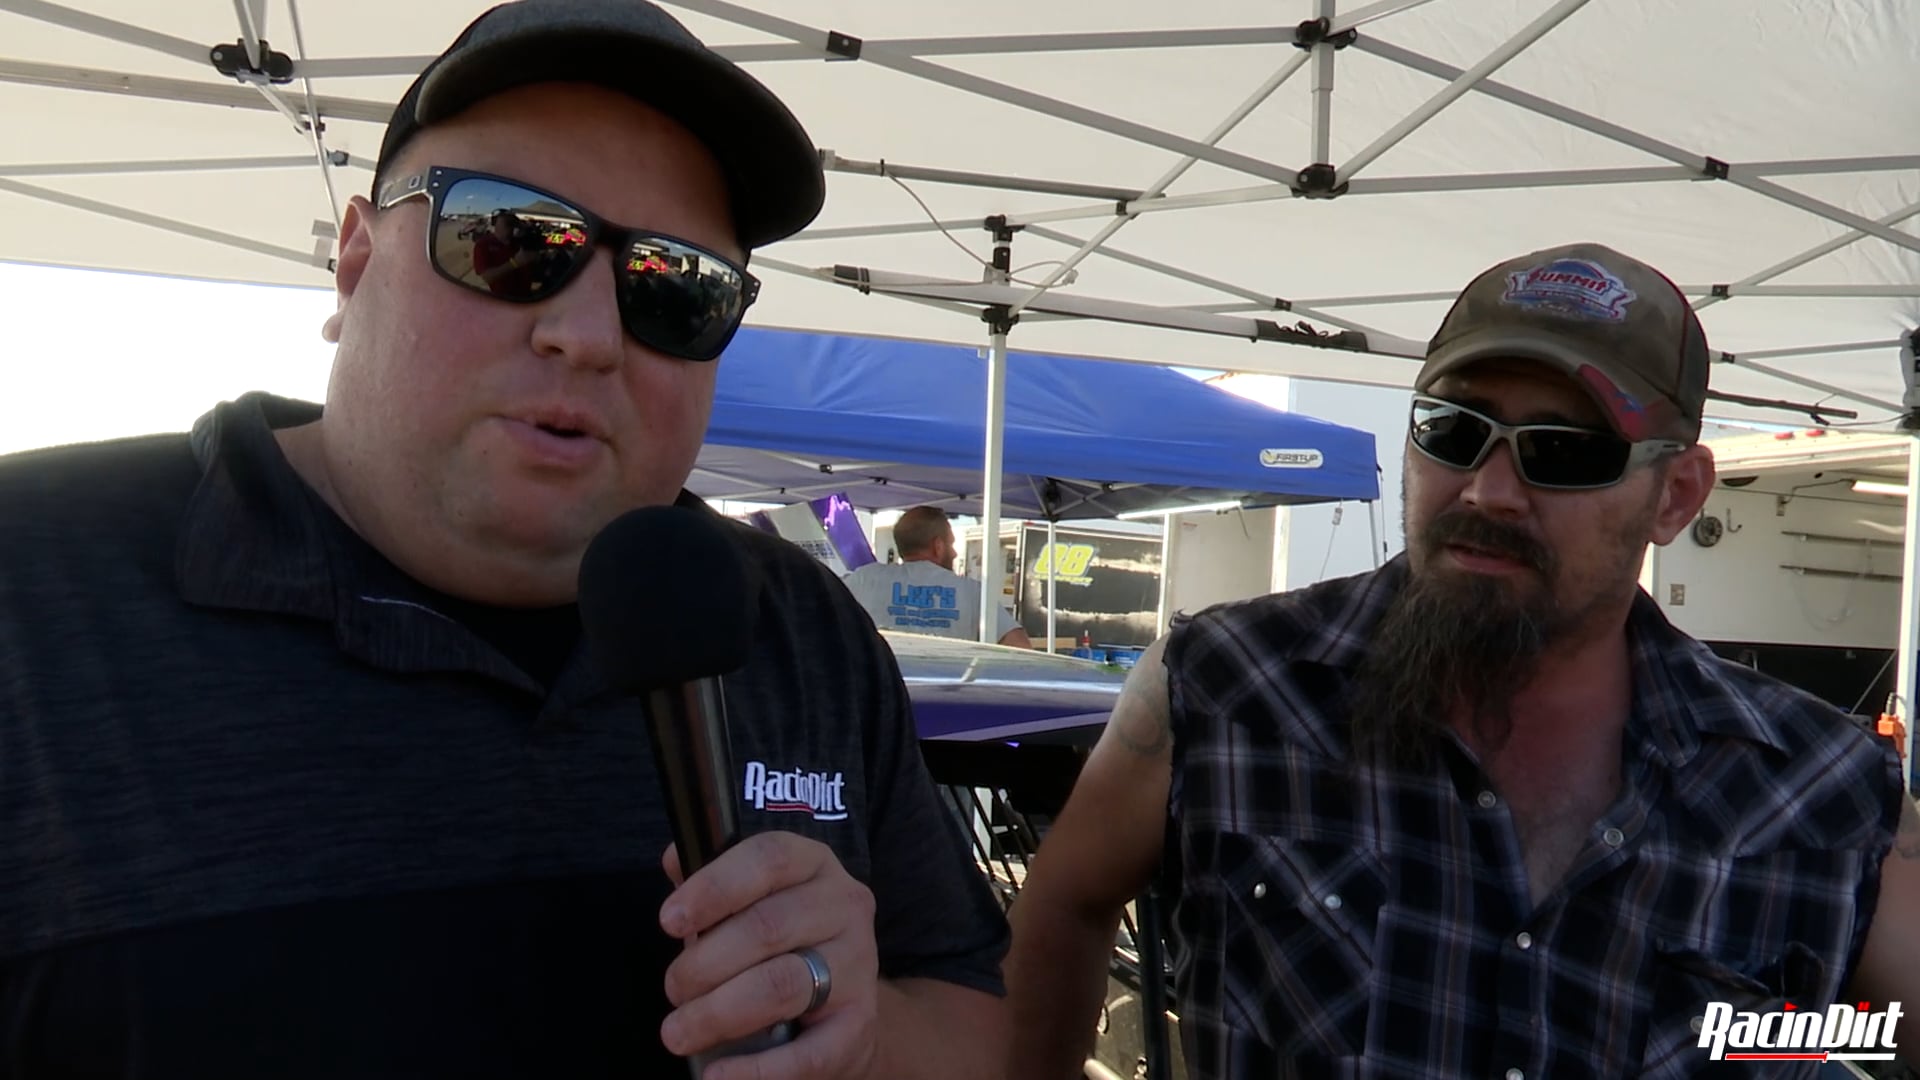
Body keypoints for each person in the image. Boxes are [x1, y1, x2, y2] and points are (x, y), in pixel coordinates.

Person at [0, 3, 1009, 1078]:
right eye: (510, 238)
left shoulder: (798, 627)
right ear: (353, 259)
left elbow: (975, 1019)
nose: (584, 334)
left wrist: (860, 1034)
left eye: (675, 286)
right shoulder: (30, 592)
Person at [1003, 242, 1920, 1078]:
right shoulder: (1227, 687)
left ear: (1676, 495)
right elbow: (1065, 908)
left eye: (1563, 452)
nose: (1489, 490)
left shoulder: (1819, 789)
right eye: (1452, 430)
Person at [844, 506, 1034, 649]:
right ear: (938, 546)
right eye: (950, 544)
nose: (953, 552)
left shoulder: (863, 580)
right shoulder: (973, 592)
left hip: (883, 695)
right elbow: (1020, 648)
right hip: (946, 695)